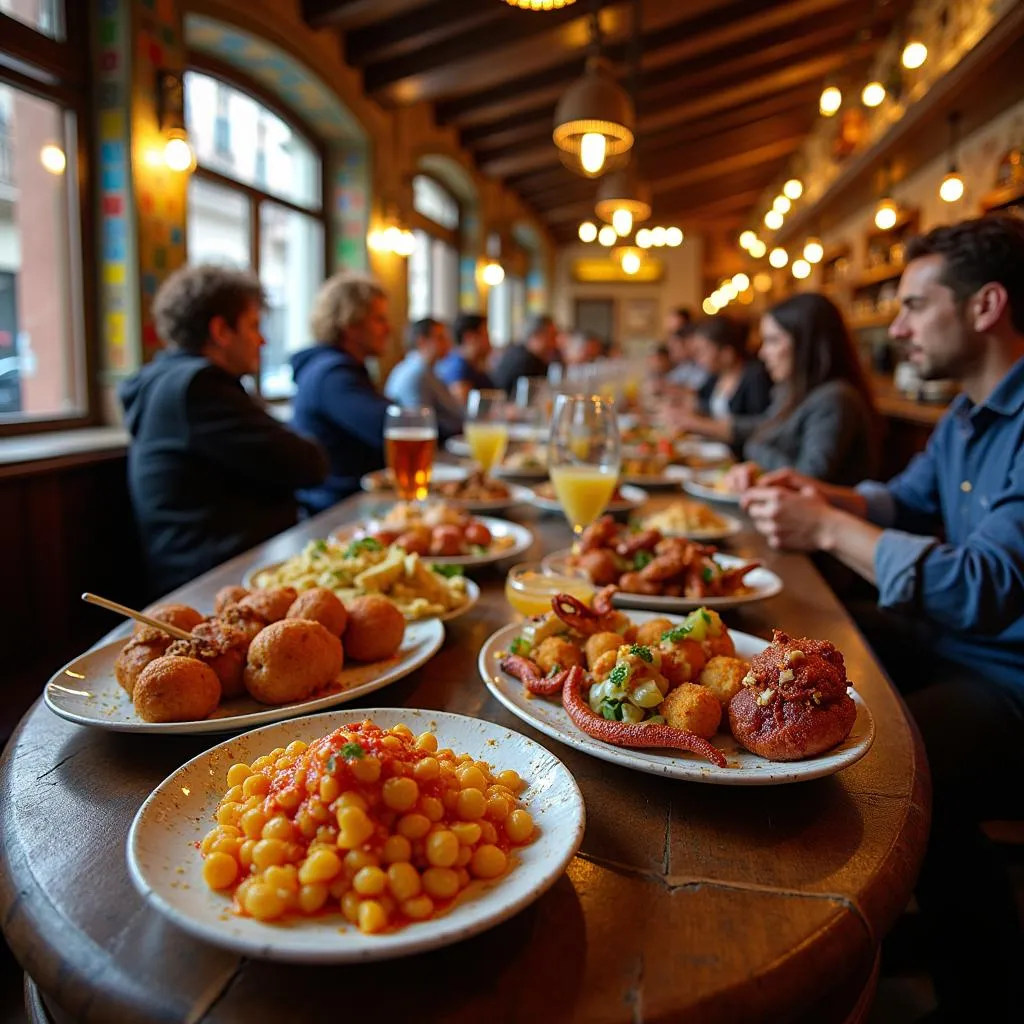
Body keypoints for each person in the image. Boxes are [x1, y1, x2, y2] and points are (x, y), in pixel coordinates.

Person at [741, 216, 1024, 1019]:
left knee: (873, 769)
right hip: (953, 644)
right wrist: (819, 492)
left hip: (1008, 681)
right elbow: (903, 501)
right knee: (793, 665)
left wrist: (829, 530)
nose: (896, 326)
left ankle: (980, 989)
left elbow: (984, 584)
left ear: (984, 306)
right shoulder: (969, 414)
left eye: (914, 305)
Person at [119, 265, 327, 599]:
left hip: (216, 565)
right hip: (213, 583)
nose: (263, 340)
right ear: (220, 330)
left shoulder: (166, 379)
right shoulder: (199, 388)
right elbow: (309, 463)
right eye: (254, 326)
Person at [721, 292, 878, 488]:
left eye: (773, 340)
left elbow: (808, 479)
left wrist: (756, 449)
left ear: (806, 344)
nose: (762, 353)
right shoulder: (792, 391)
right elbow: (765, 428)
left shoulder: (835, 399)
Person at [291, 271, 393, 515]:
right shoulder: (333, 375)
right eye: (379, 320)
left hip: (354, 501)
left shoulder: (338, 368)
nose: (388, 329)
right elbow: (387, 427)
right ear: (351, 324)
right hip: (336, 511)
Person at [665, 315, 773, 452]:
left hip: (741, 459)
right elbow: (700, 402)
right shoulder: (717, 376)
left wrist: (695, 423)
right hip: (716, 452)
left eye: (703, 351)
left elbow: (759, 426)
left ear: (726, 353)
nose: (698, 358)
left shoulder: (755, 376)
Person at [384, 318, 464, 438]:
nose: (448, 343)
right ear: (422, 342)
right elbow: (420, 423)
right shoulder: (417, 374)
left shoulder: (425, 369)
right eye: (440, 338)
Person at [491, 314, 560, 396]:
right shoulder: (524, 361)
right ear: (536, 335)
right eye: (552, 337)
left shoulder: (525, 354)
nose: (555, 343)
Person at [435, 313, 493, 405]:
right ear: (469, 337)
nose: (490, 340)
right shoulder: (458, 368)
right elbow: (465, 410)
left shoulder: (472, 364)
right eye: (486, 334)